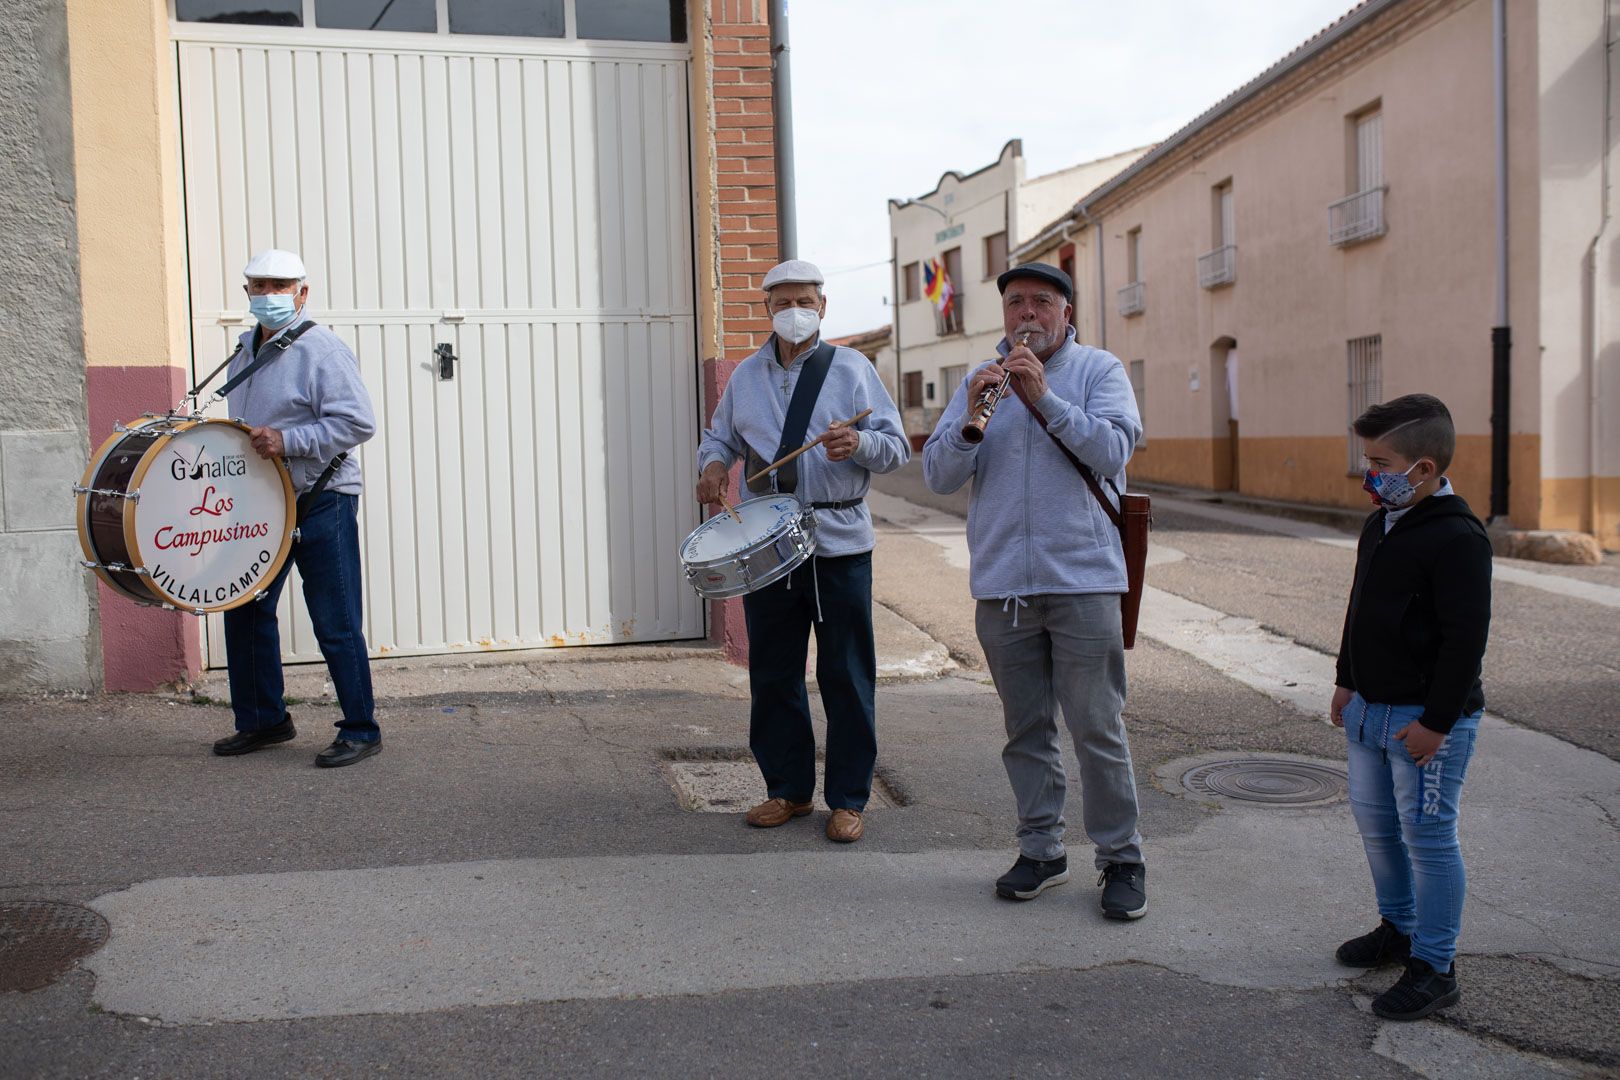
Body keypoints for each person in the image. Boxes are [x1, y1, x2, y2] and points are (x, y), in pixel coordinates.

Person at [922, 262, 1147, 919]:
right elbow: (936, 474)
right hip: (1003, 588)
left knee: (1097, 728)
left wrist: (1045, 397)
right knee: (1025, 733)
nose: (1027, 314)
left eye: (1041, 303)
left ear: (1065, 313)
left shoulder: (1100, 372)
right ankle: (1042, 851)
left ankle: (1122, 859)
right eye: (1016, 302)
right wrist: (970, 418)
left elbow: (1112, 453)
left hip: (1081, 581)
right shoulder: (977, 381)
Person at [695, 259, 909, 843]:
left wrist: (859, 442)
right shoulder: (745, 376)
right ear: (767, 309)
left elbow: (896, 448)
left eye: (805, 301)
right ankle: (786, 790)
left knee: (846, 672)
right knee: (773, 672)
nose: (795, 312)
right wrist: (713, 466)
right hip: (767, 544)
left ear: (823, 306)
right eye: (783, 302)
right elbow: (720, 437)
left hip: (839, 543)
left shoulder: (853, 369)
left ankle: (846, 798)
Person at [1331, 393, 1492, 1021]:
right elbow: (1360, 605)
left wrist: (1437, 723)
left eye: (1381, 462)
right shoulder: (1382, 522)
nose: (1371, 473)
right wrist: (1347, 679)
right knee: (1378, 831)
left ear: (1423, 469)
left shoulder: (1457, 536)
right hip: (1370, 710)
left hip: (1423, 722)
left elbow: (1465, 641)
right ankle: (1397, 930)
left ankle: (1435, 965)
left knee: (1428, 839)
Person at [211, 249, 381, 768]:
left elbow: (357, 423)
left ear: (302, 293)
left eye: (279, 285)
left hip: (320, 498)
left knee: (335, 619)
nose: (267, 294)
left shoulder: (322, 350)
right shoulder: (245, 350)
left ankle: (360, 728)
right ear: (246, 294)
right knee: (246, 607)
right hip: (264, 503)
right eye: (258, 285)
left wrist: (288, 440)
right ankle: (264, 720)